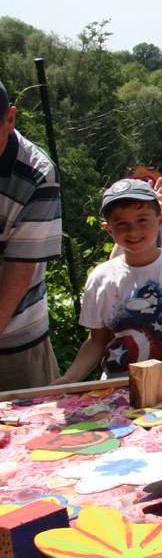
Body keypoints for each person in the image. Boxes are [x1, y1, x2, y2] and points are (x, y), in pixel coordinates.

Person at [56, 179, 162, 383]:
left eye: (142, 220)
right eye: (121, 224)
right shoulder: (101, 278)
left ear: (161, 220)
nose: (133, 231)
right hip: (119, 388)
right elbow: (97, 340)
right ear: (108, 229)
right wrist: (70, 378)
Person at [0, 81, 63, 389]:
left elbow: (16, 279)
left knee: (27, 431)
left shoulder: (38, 174)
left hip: (15, 339)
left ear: (10, 119)